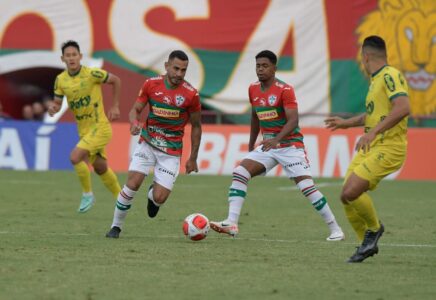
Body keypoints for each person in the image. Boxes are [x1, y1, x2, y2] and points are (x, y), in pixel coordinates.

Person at [210, 50, 344, 241]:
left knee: (306, 186)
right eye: (258, 66)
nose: (260, 69)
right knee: (241, 172)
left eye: (265, 66)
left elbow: (293, 120)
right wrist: (251, 143)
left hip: (290, 145)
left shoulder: (285, 89)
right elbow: (255, 116)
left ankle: (335, 229)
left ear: (274, 68)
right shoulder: (253, 89)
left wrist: (276, 139)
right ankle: (231, 222)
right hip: (268, 146)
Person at [324, 35, 410, 263]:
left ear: (366, 56)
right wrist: (347, 123)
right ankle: (366, 244)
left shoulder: (391, 75)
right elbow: (374, 115)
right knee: (346, 196)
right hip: (374, 146)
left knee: (351, 192)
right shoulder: (376, 80)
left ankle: (374, 229)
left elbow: (403, 108)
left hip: (389, 146)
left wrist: (372, 133)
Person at [105, 50, 202, 238]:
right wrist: (134, 123)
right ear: (166, 66)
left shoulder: (191, 94)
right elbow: (136, 109)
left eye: (183, 70)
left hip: (171, 152)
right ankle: (116, 227)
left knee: (159, 198)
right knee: (132, 183)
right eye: (176, 69)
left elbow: (197, 126)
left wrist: (193, 157)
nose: (179, 74)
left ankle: (153, 196)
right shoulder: (151, 84)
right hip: (147, 143)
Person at [48, 40, 122, 213]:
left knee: (75, 157)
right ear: (62, 59)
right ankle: (121, 198)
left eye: (74, 55)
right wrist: (54, 107)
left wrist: (115, 105)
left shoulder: (92, 74)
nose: (72, 58)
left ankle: (87, 194)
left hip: (100, 127)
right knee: (100, 167)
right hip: (84, 131)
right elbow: (57, 103)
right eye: (68, 55)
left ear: (80, 57)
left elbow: (116, 80)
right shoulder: (60, 80)